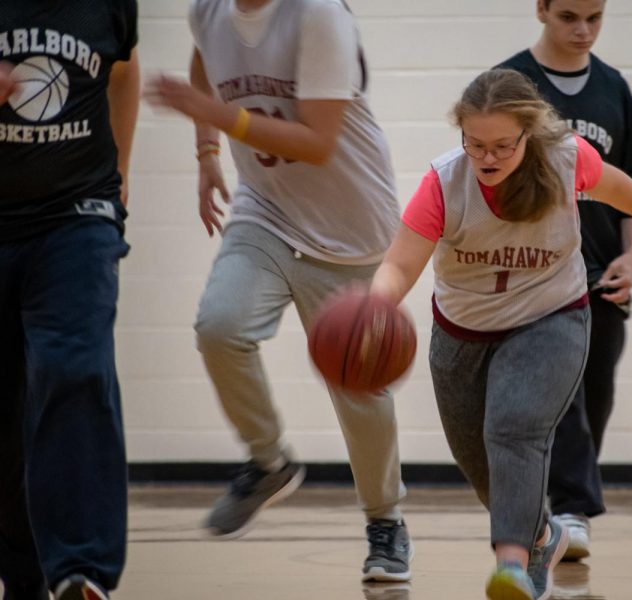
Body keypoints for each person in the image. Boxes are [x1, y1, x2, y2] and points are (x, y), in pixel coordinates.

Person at [368, 69, 632, 600]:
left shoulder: (566, 158)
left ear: (528, 134)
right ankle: (542, 536)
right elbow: (400, 264)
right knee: (477, 459)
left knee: (513, 429)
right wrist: (371, 306)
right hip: (463, 331)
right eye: (476, 143)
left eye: (503, 145)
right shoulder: (445, 181)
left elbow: (616, 186)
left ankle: (513, 568)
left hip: (551, 317)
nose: (488, 157)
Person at [144, 0, 411, 583]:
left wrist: (214, 114)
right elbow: (201, 66)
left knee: (359, 387)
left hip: (350, 230)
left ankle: (386, 523)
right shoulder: (209, 12)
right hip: (265, 209)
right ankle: (268, 462)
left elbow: (316, 141)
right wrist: (208, 153)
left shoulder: (316, 14)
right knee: (220, 325)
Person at [497, 0, 632, 559]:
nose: (583, 29)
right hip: (537, 272)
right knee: (558, 398)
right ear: (540, 9)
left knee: (595, 395)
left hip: (604, 269)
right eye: (568, 16)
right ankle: (569, 509)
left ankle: (562, 504)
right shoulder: (509, 84)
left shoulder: (612, 87)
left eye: (594, 16)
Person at [0, 1, 140, 599]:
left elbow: (124, 73)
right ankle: (25, 572)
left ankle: (81, 569)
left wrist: (120, 176)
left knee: (75, 367)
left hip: (77, 213)